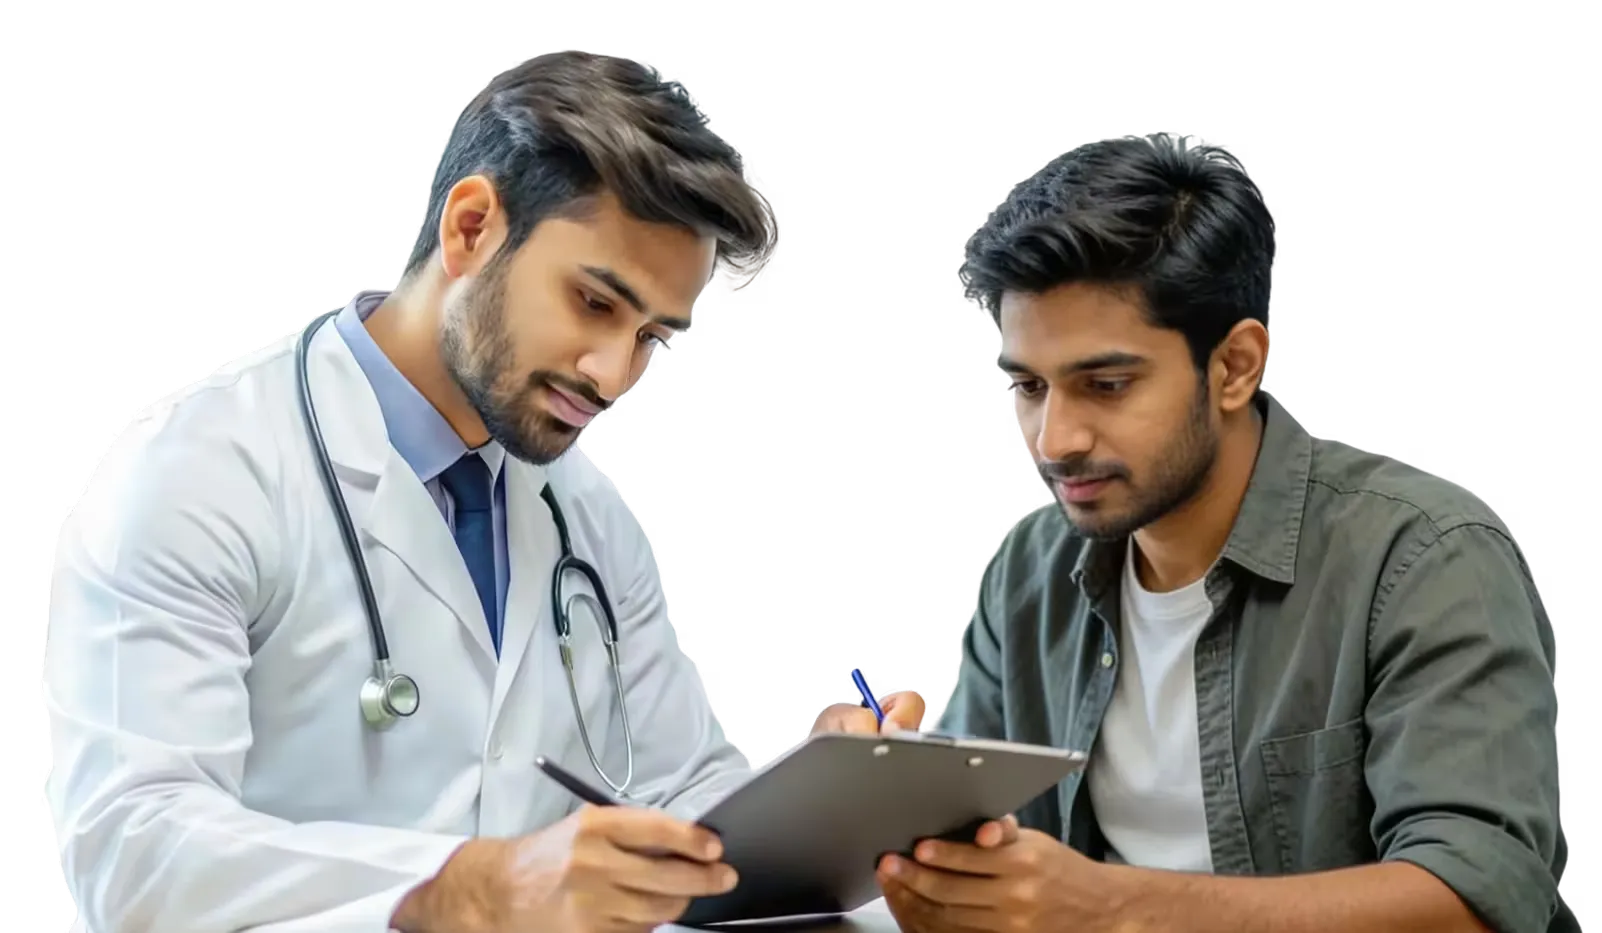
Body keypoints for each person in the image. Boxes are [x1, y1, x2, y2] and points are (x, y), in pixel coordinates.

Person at [43, 50, 924, 933]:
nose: (614, 374)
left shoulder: (586, 514)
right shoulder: (197, 470)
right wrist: (469, 886)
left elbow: (677, 790)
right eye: (593, 302)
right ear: (470, 229)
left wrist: (818, 807)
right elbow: (132, 851)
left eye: (655, 336)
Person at [854, 133, 1575, 933]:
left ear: (1235, 366)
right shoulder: (1031, 563)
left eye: (1107, 383)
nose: (1054, 439)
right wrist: (898, 799)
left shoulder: (1426, 558)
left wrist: (1110, 907)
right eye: (1028, 386)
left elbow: (1476, 901)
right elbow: (998, 863)